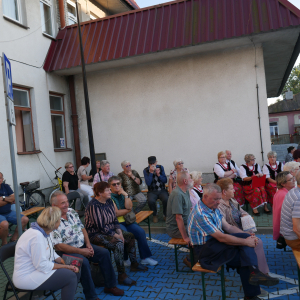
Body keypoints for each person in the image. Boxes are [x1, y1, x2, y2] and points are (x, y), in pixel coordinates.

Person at [188, 184, 279, 300]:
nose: (218, 201)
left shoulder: (211, 206)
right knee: (244, 254)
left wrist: (247, 236)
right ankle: (251, 292)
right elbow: (221, 237)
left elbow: (228, 227)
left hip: (215, 242)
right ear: (205, 196)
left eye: (219, 198)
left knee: (246, 242)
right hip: (205, 250)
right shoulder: (201, 213)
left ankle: (255, 275)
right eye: (215, 199)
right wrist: (245, 242)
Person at [50, 191, 124, 298]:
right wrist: (81, 251)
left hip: (82, 246)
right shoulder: (51, 219)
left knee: (103, 253)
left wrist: (88, 244)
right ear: (54, 205)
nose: (66, 205)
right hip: (63, 253)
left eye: (67, 202)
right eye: (63, 203)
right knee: (83, 262)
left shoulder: (71, 211)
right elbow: (59, 246)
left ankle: (110, 286)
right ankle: (91, 296)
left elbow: (82, 228)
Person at [85, 182, 147, 286]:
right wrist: (116, 235)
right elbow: (100, 226)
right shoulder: (93, 205)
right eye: (107, 190)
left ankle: (134, 263)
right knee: (118, 243)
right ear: (100, 193)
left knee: (130, 236)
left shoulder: (109, 201)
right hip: (95, 234)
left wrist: (119, 232)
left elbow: (114, 219)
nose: (110, 191)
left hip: (110, 231)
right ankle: (121, 275)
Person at [13, 207, 80, 300]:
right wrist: (65, 266)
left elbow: (49, 251)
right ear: (55, 222)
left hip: (36, 270)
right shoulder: (37, 236)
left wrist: (60, 259)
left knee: (75, 270)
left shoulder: (45, 231)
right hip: (26, 277)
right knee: (70, 277)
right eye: (59, 220)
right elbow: (42, 265)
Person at [217, 178, 270, 275]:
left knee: (256, 242)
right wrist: (245, 233)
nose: (235, 190)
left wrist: (245, 215)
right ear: (224, 192)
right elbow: (227, 227)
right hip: (231, 234)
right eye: (232, 189)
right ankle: (261, 273)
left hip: (240, 231)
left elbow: (242, 211)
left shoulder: (232, 200)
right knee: (257, 242)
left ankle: (259, 272)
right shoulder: (219, 205)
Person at [109, 176, 158, 266]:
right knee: (126, 235)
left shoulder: (123, 194)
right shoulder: (109, 198)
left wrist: (126, 195)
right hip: (117, 223)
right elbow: (117, 213)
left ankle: (145, 258)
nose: (116, 186)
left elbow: (129, 206)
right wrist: (127, 210)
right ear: (110, 186)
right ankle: (125, 259)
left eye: (118, 184)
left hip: (128, 221)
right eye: (114, 184)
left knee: (141, 232)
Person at [0, 172, 29, 245]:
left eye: (0, 178)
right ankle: (4, 243)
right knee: (5, 224)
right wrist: (8, 200)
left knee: (25, 219)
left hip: (8, 212)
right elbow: (10, 199)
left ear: (2, 179)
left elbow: (14, 198)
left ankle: (13, 239)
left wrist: (3, 198)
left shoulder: (6, 186)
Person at [166, 171, 193, 241]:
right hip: (175, 230)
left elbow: (190, 209)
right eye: (190, 178)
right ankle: (197, 251)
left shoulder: (186, 191)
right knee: (201, 232)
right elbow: (178, 218)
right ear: (185, 181)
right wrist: (185, 237)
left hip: (186, 225)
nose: (192, 180)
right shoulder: (177, 195)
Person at [143, 156, 169, 223]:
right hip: (152, 191)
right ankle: (155, 214)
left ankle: (165, 214)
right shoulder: (145, 170)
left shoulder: (160, 167)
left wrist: (159, 174)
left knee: (166, 199)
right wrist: (151, 173)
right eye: (151, 163)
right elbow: (148, 183)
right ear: (148, 163)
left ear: (156, 162)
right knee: (150, 201)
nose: (152, 165)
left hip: (162, 190)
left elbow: (165, 180)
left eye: (153, 163)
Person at [280, 171, 300, 250]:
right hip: (294, 238)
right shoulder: (298, 198)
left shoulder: (294, 191)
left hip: (289, 234)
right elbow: (297, 229)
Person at [273, 171, 295, 241]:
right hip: (287, 229)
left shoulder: (284, 191)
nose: (294, 180)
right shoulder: (283, 195)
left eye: (293, 178)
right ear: (283, 183)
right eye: (291, 179)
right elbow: (283, 215)